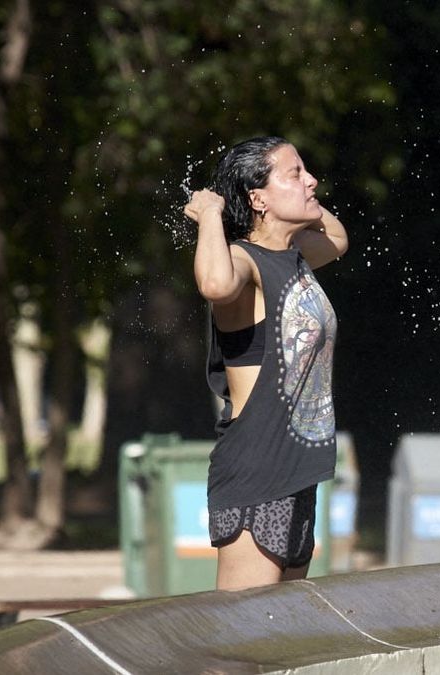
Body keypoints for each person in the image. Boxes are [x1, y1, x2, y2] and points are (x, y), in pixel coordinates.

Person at [183, 136, 347, 590]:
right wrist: (213, 213)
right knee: (240, 644)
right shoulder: (244, 261)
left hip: (297, 473)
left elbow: (337, 238)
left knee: (280, 639)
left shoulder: (293, 258)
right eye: (294, 174)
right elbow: (215, 284)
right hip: (258, 474)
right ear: (257, 198)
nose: (311, 180)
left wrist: (305, 199)